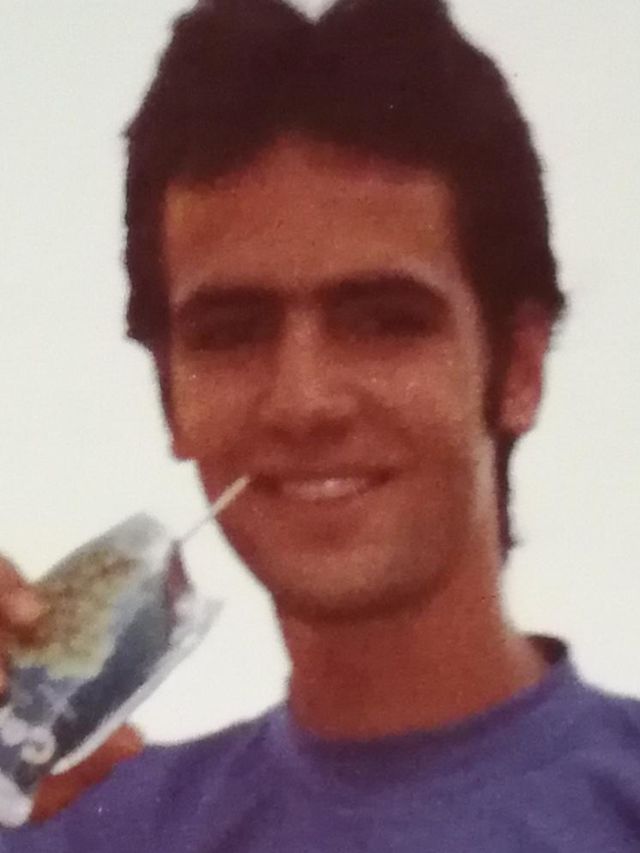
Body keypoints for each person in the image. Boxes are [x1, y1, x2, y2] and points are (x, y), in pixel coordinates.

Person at [1, 0, 639, 849]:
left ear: (519, 366)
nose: (303, 401)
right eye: (233, 332)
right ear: (169, 395)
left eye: (383, 321)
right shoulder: (82, 829)